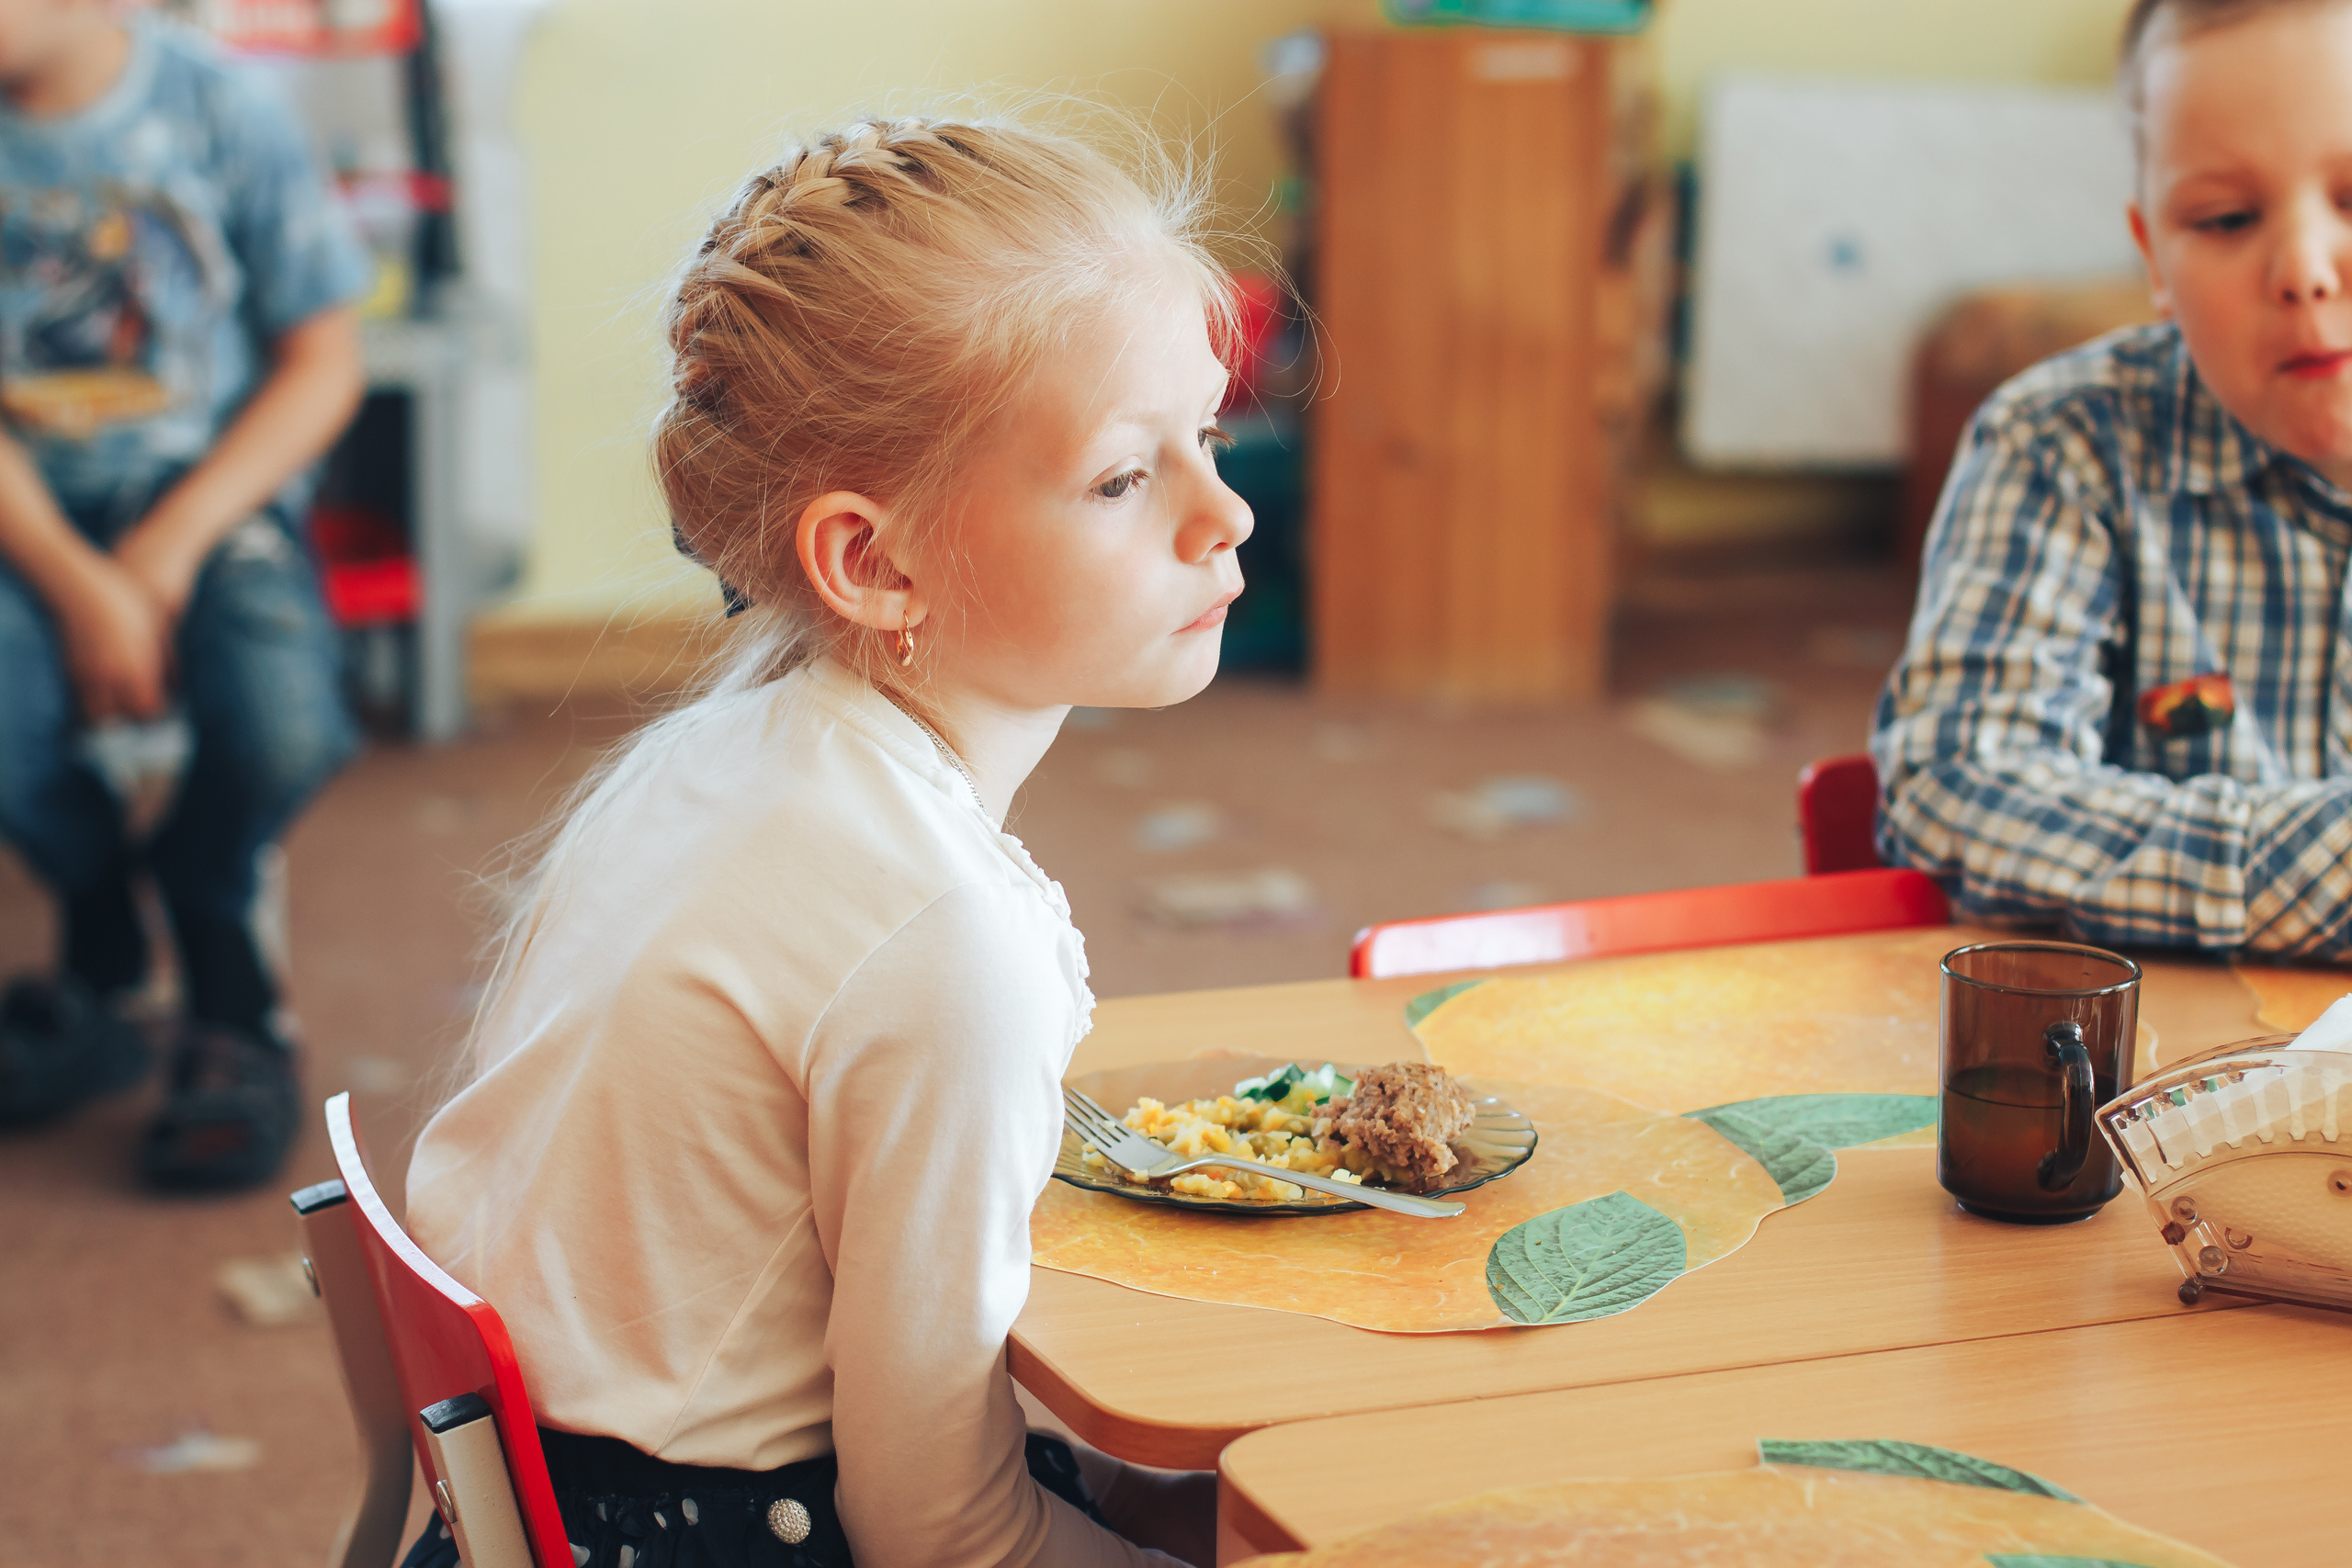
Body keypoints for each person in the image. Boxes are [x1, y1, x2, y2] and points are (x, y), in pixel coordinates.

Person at [400, 117, 1251, 1568]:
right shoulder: (941, 942)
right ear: (872, 560)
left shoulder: (709, 757)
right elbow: (945, 1534)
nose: (1224, 512)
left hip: (549, 1508)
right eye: (1124, 478)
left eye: (1210, 434)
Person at [1874, 0, 2352, 957]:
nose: (2303, 271)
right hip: (2168, 1045)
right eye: (2225, 218)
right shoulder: (2061, 443)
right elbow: (1956, 790)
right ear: (2155, 260)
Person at [0, 0, 368, 1185]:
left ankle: (210, 923)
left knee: (286, 728)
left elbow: (323, 363)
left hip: (209, 501)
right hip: (27, 517)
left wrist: (162, 554)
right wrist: (82, 589)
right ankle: (102, 926)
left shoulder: (225, 108)